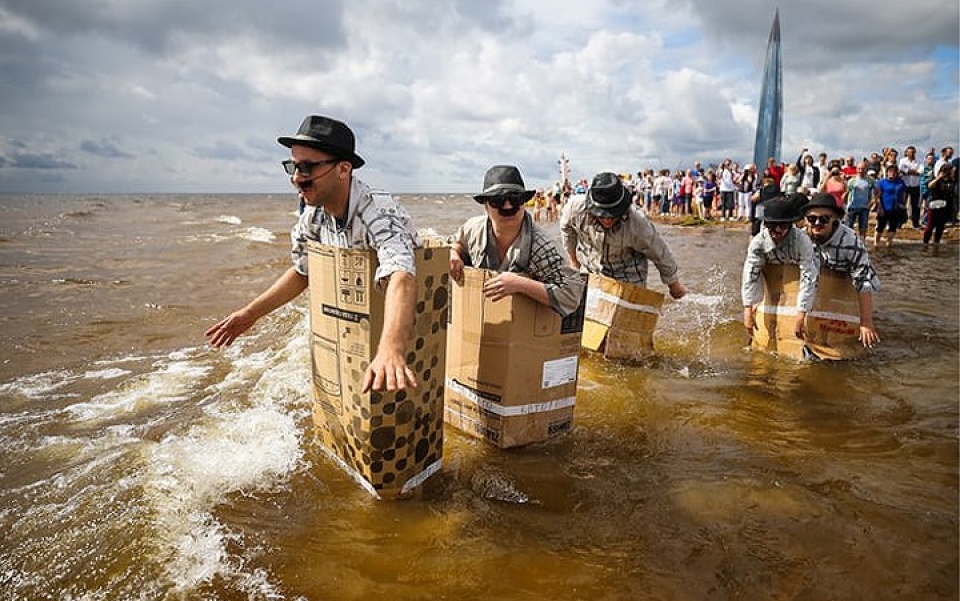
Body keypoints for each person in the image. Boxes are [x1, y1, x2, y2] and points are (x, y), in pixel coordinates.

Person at [205, 114, 420, 393]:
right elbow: (302, 272)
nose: (296, 179)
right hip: (357, 323)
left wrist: (392, 349)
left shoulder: (376, 210)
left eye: (307, 168)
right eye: (293, 167)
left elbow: (401, 274)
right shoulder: (312, 216)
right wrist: (249, 315)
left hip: (404, 321)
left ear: (343, 169)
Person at [449, 165, 584, 317]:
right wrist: (454, 253)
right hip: (478, 318)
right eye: (498, 200)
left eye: (515, 199)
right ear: (486, 205)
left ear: (524, 202)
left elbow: (571, 295)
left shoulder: (541, 246)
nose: (508, 206)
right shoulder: (473, 229)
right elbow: (456, 242)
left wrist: (520, 284)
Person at [560, 171, 687, 299]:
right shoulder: (575, 209)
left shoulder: (637, 222)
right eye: (602, 215)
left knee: (628, 315)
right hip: (591, 268)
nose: (607, 220)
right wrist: (573, 260)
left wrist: (674, 286)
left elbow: (659, 252)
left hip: (628, 274)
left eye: (613, 214)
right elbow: (566, 229)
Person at [802, 193, 880, 348]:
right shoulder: (801, 236)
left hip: (848, 281)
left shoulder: (850, 241)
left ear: (834, 219)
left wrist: (866, 322)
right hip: (820, 277)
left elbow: (863, 281)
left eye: (824, 219)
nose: (817, 223)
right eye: (812, 219)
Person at [741, 196, 818, 342]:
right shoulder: (758, 243)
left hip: (798, 282)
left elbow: (809, 277)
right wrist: (747, 309)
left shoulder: (802, 241)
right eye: (771, 225)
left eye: (782, 225)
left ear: (790, 224)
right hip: (771, 283)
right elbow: (750, 275)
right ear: (765, 224)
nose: (777, 230)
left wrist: (802, 313)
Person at [872, 164, 907, 247]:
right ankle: (876, 243)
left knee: (893, 226)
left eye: (894, 172)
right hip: (884, 207)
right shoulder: (881, 182)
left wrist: (903, 204)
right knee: (880, 226)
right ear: (887, 172)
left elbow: (904, 193)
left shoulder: (900, 182)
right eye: (890, 171)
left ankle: (889, 243)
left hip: (896, 208)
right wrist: (879, 208)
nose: (892, 173)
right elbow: (877, 196)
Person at [923, 163, 957, 246]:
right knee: (930, 226)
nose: (953, 172)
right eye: (951, 170)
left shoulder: (951, 180)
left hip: (946, 206)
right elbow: (930, 186)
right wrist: (938, 178)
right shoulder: (936, 179)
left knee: (940, 226)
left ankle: (936, 242)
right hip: (935, 205)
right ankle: (925, 243)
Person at [845, 163, 874, 239]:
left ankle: (862, 244)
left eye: (863, 169)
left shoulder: (870, 180)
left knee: (863, 228)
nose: (861, 171)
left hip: (864, 207)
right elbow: (846, 193)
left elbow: (878, 192)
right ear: (856, 169)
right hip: (852, 207)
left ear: (866, 169)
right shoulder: (851, 180)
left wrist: (872, 202)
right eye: (859, 169)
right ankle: (849, 242)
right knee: (849, 227)